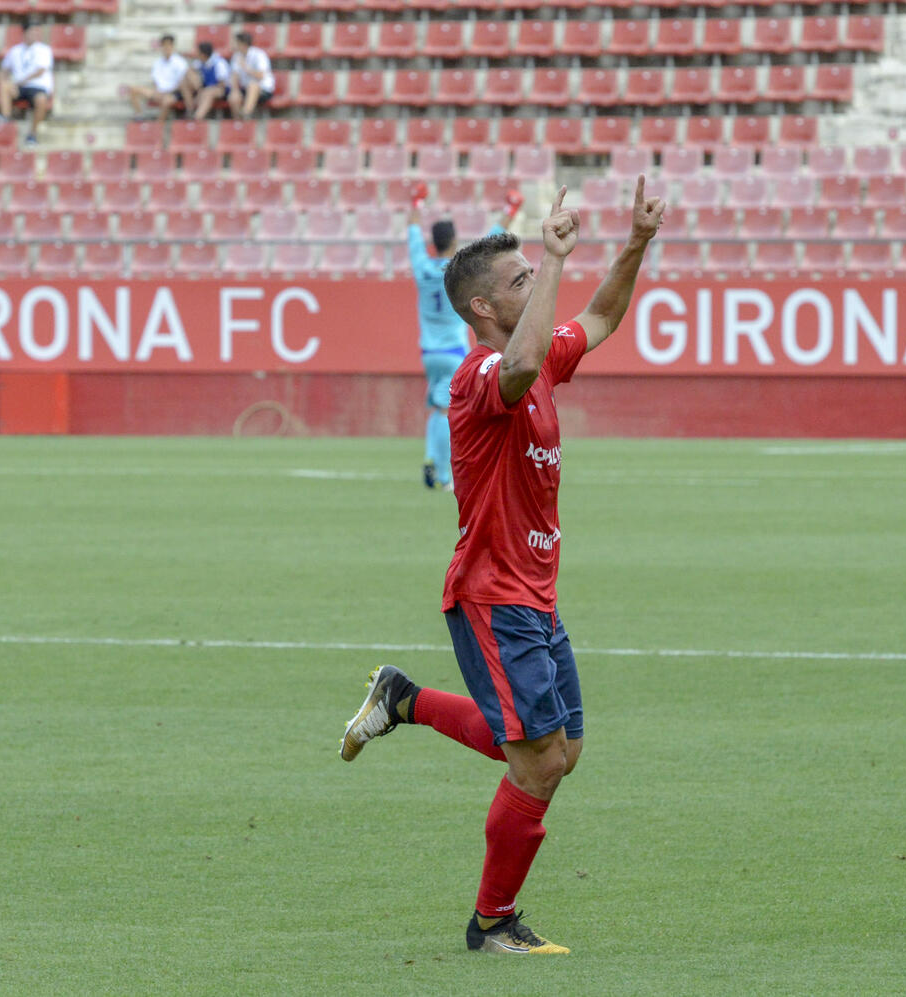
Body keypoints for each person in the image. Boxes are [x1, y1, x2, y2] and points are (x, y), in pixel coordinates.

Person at [339, 177, 667, 953]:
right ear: (483, 307)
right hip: (493, 595)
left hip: (534, 596)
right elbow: (517, 367)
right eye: (519, 279)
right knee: (538, 759)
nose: (535, 282)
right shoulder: (480, 373)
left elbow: (601, 316)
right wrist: (552, 258)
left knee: (560, 751)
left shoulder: (539, 357)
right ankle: (491, 922)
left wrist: (635, 244)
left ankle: (404, 699)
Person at [406, 180, 525, 491]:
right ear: (454, 240)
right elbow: (490, 242)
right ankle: (444, 474)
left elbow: (412, 235)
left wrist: (416, 205)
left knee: (438, 406)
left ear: (434, 242)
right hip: (453, 352)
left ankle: (431, 459)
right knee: (449, 410)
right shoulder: (457, 273)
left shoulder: (422, 267)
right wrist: (510, 210)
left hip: (428, 352)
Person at [0, 19, 54, 147]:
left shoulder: (44, 50)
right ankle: (5, 117)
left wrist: (20, 82)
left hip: (37, 87)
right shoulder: (15, 50)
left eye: (37, 32)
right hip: (20, 87)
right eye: (33, 31)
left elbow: (40, 71)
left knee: (41, 99)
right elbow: (4, 70)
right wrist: (6, 81)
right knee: (4, 86)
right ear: (25, 33)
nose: (35, 35)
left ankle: (32, 134)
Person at [126, 34, 189, 123]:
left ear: (173, 46)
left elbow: (183, 83)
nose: (166, 48)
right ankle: (139, 115)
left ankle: (158, 125)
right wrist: (157, 91)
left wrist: (168, 92)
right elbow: (155, 80)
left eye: (168, 45)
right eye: (164, 45)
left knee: (167, 101)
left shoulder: (180, 62)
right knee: (134, 89)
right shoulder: (158, 62)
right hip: (159, 92)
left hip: (173, 94)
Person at [226, 31, 273, 119]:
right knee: (233, 96)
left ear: (242, 44)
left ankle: (246, 114)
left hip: (263, 89)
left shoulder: (259, 55)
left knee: (253, 85)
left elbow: (261, 76)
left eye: (236, 43)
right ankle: (238, 121)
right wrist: (235, 90)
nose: (233, 45)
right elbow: (234, 75)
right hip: (245, 88)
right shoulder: (236, 56)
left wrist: (246, 68)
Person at [187, 40, 231, 121]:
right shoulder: (200, 62)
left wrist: (206, 89)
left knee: (208, 93)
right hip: (205, 88)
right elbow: (190, 71)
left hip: (221, 89)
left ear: (203, 55)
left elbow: (222, 84)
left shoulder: (219, 63)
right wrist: (198, 85)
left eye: (198, 52)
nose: (196, 54)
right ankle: (189, 109)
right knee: (186, 79)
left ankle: (197, 118)